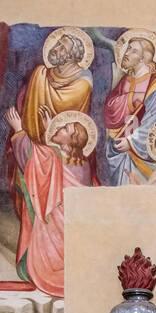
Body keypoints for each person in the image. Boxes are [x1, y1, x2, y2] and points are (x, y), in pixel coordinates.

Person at [5, 108, 96, 298]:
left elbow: (30, 158)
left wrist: (19, 130)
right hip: (69, 234)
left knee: (51, 269)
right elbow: (52, 161)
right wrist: (51, 133)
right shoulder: (83, 163)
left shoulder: (52, 157)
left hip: (52, 243)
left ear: (71, 142)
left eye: (65, 129)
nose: (59, 127)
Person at [103, 31, 156, 185]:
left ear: (144, 58)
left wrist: (131, 142)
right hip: (119, 148)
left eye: (133, 50)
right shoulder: (125, 80)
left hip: (142, 155)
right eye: (127, 48)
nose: (126, 53)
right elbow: (110, 114)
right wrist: (129, 99)